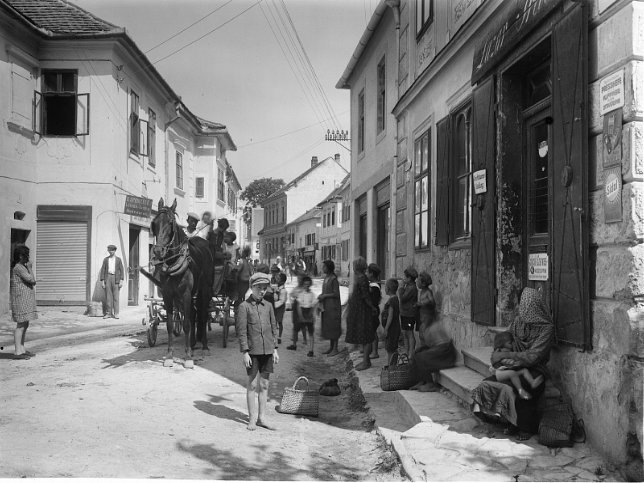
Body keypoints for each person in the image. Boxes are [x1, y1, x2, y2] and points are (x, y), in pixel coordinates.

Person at [471, 287, 554, 439]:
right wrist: (498, 357)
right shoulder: (518, 322)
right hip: (514, 365)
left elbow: (533, 357)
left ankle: (525, 427)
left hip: (535, 370)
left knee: (519, 388)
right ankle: (507, 421)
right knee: (488, 384)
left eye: (528, 309)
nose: (524, 313)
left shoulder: (546, 329)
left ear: (535, 307)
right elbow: (504, 340)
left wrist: (508, 354)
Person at [236, 272, 279, 431]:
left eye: (264, 288)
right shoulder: (244, 307)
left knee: (265, 385)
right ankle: (252, 419)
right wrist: (245, 352)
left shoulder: (268, 306)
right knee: (252, 385)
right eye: (259, 288)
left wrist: (275, 349)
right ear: (252, 288)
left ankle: (262, 418)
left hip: (267, 350)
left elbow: (274, 327)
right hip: (252, 352)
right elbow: (241, 331)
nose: (262, 291)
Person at [345, 257, 379, 371]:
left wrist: (371, 307)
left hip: (363, 311)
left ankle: (366, 361)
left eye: (354, 266)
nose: (353, 268)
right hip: (359, 310)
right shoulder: (361, 278)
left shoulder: (362, 278)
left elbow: (365, 296)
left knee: (366, 336)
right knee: (363, 335)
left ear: (357, 267)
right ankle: (365, 360)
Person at [489, 332, 544, 400]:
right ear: (501, 344)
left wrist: (516, 363)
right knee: (512, 373)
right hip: (499, 373)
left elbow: (509, 360)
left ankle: (532, 382)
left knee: (524, 371)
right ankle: (521, 391)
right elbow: (503, 360)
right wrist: (511, 362)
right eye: (509, 343)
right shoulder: (498, 352)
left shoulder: (506, 351)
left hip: (506, 371)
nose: (512, 345)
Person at [10, 246, 37, 360]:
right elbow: (32, 280)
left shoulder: (21, 267)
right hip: (20, 301)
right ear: (21, 256)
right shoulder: (19, 268)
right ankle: (17, 351)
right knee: (21, 325)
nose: (28, 258)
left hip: (24, 300)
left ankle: (22, 349)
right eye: (26, 255)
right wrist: (30, 268)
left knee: (25, 324)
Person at [318, 260, 342, 356]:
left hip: (333, 307)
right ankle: (331, 347)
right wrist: (321, 295)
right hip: (327, 307)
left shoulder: (333, 279)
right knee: (329, 326)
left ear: (328, 268)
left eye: (324, 267)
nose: (322, 268)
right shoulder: (326, 278)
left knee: (334, 327)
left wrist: (325, 296)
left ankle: (335, 348)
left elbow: (336, 294)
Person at [398, 267, 419, 358]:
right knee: (405, 332)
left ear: (409, 278)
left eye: (405, 277)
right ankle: (407, 352)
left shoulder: (412, 288)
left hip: (409, 314)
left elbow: (402, 299)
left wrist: (401, 288)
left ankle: (411, 353)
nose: (404, 278)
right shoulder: (409, 286)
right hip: (405, 313)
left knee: (409, 333)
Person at [100, 244, 124, 319]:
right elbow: (103, 270)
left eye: (112, 250)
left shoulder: (118, 259)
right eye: (109, 250)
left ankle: (116, 313)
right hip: (108, 277)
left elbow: (122, 270)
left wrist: (121, 280)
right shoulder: (106, 259)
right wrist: (103, 281)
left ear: (115, 251)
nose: (111, 252)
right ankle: (108, 313)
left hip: (116, 278)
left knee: (116, 297)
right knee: (108, 297)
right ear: (108, 251)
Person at [295, 276, 317, 357]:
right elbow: (299, 306)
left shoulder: (312, 294)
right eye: (305, 284)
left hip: (309, 312)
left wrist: (312, 314)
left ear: (310, 284)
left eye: (308, 284)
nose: (307, 286)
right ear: (303, 285)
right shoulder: (301, 294)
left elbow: (314, 305)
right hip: (302, 311)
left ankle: (311, 350)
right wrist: (300, 316)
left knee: (311, 332)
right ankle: (294, 344)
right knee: (296, 329)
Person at [381, 278, 401, 365]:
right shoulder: (395, 299)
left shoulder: (392, 300)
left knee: (390, 349)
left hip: (392, 328)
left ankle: (391, 366)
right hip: (394, 327)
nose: (384, 288)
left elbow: (390, 316)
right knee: (392, 348)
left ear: (388, 289)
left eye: (385, 287)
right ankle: (391, 365)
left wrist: (386, 329)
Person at [367, 263, 382, 360]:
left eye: (367, 272)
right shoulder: (373, 285)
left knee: (373, 332)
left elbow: (374, 300)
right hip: (372, 310)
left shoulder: (375, 287)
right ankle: (371, 350)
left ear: (372, 273)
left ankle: (375, 351)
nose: (366, 274)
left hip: (373, 311)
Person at [235, 246, 254, 313]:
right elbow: (251, 272)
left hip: (241, 280)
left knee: (240, 295)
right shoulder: (247, 262)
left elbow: (238, 270)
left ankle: (240, 307)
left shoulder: (241, 261)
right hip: (246, 280)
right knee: (242, 295)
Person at [273, 273, 288, 344]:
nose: (277, 280)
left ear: (282, 281)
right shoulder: (276, 287)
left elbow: (282, 301)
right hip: (275, 306)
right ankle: (274, 336)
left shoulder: (283, 291)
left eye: (278, 279)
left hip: (280, 307)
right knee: (274, 321)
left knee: (279, 321)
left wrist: (274, 305)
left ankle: (279, 337)